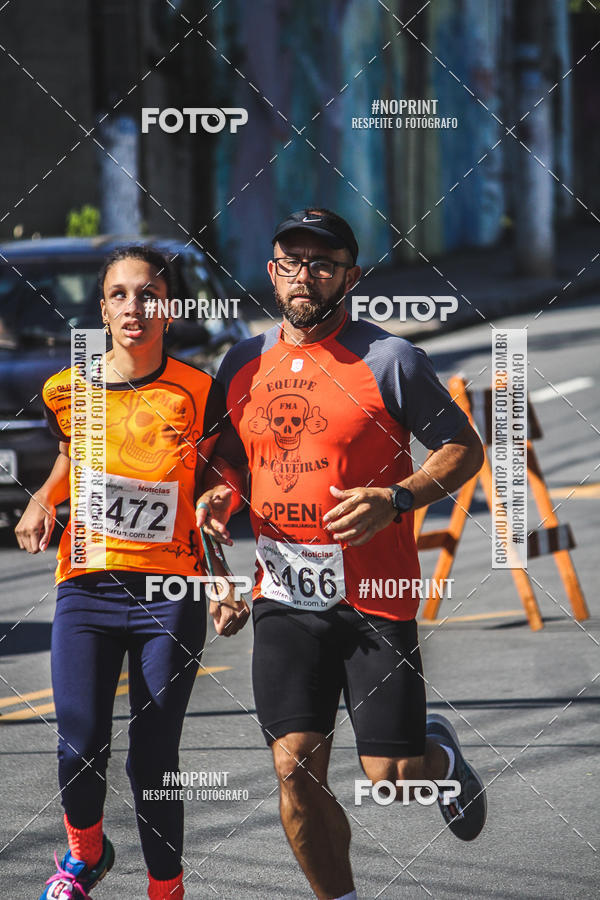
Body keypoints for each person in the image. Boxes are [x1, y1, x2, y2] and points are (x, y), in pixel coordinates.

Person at [197, 208, 487, 900]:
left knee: (392, 777)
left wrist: (399, 496)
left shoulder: (391, 359)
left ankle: (436, 752)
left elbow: (464, 448)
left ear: (350, 277)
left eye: (322, 263)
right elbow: (222, 472)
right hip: (284, 600)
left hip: (374, 601)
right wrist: (219, 564)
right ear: (271, 273)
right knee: (295, 772)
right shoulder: (239, 364)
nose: (305, 276)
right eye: (291, 262)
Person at [15, 246, 249, 900]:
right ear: (102, 309)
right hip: (86, 587)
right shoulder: (70, 388)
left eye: (147, 295)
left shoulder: (199, 392)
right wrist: (44, 498)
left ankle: (166, 891)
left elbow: (221, 478)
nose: (133, 308)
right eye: (119, 295)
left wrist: (217, 505)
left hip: (169, 594)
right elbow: (69, 456)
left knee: (153, 762)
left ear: (168, 308)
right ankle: (86, 853)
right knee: (80, 741)